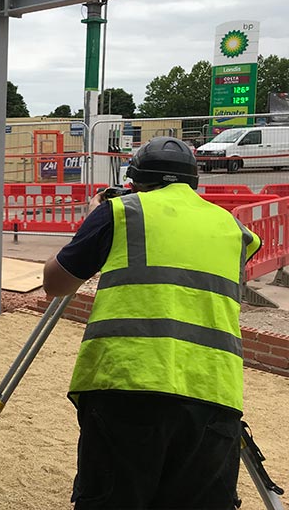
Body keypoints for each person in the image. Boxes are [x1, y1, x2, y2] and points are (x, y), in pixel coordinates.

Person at [43, 136, 261, 509]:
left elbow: (56, 284)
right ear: (193, 181)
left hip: (127, 386)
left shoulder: (122, 212)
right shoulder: (233, 230)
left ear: (136, 181)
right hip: (213, 396)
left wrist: (94, 217)